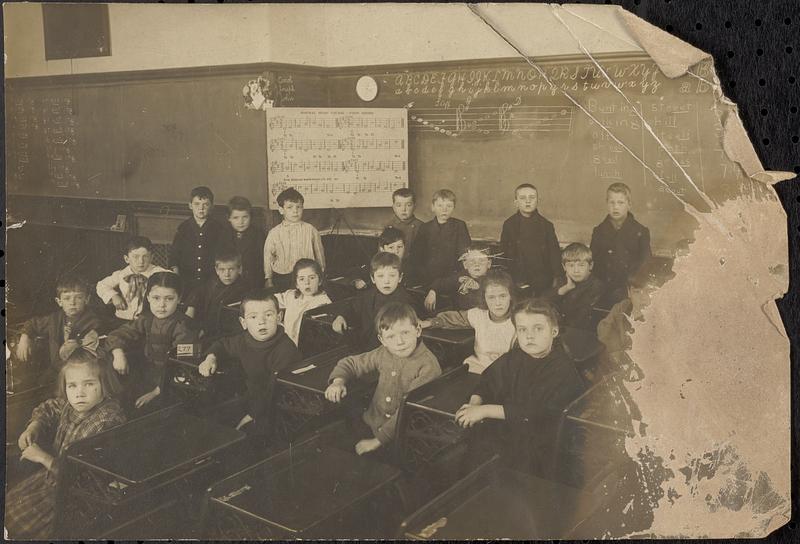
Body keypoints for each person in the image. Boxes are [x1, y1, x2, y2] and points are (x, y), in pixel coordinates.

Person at [5, 348, 126, 540]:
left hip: (81, 495)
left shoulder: (105, 421)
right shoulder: (75, 404)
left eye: (89, 384)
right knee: (9, 503)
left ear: (104, 384)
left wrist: (42, 457)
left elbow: (80, 477)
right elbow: (50, 407)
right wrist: (34, 426)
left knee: (15, 523)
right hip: (55, 479)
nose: (79, 393)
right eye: (72, 386)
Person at [455, 299, 584, 476]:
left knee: (487, 458)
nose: (529, 336)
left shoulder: (560, 368)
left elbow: (533, 411)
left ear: (554, 331)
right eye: (523, 330)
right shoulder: (516, 356)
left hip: (540, 439)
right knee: (468, 448)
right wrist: (474, 403)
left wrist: (484, 410)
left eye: (538, 329)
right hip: (512, 428)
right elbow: (488, 381)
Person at [325, 302, 441, 455]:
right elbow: (351, 362)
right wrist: (338, 381)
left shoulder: (428, 366)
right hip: (371, 423)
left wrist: (377, 441)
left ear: (418, 330)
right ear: (382, 340)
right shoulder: (383, 352)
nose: (399, 342)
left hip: (404, 434)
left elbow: (409, 410)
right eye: (391, 336)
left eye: (405, 333)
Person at [198, 289, 302, 435]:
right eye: (253, 317)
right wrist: (210, 358)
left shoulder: (286, 350)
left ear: (279, 317)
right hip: (250, 398)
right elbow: (222, 344)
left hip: (275, 406)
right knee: (210, 418)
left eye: (268, 315)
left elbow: (274, 391)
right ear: (243, 322)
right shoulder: (244, 339)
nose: (261, 321)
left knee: (247, 433)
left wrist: (252, 415)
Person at [106, 272, 197, 409]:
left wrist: (156, 392)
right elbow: (118, 334)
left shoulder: (184, 327)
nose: (162, 305)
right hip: (147, 375)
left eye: (169, 299)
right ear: (148, 297)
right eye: (156, 298)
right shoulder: (146, 319)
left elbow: (184, 367)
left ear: (179, 299)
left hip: (170, 384)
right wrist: (118, 353)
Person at [422, 270, 516, 374]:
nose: (498, 303)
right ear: (484, 298)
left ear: (510, 296)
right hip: (475, 370)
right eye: (491, 297)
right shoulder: (478, 315)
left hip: (504, 375)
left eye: (502, 296)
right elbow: (455, 318)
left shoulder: (519, 320)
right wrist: (432, 322)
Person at [16, 274, 102, 383]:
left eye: (79, 297)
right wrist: (24, 338)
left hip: (81, 371)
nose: (72, 302)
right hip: (57, 369)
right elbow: (33, 323)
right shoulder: (54, 319)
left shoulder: (93, 322)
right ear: (59, 301)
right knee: (40, 385)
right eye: (67, 298)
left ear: (87, 299)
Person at [331, 252, 415, 352]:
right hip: (365, 349)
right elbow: (352, 308)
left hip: (391, 351)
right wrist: (341, 317)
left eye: (392, 276)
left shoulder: (405, 301)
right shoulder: (367, 296)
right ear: (372, 278)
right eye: (380, 276)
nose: (386, 281)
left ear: (400, 277)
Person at [590, 182, 652, 305]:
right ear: (607, 204)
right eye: (612, 202)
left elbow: (645, 265)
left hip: (627, 289)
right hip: (602, 288)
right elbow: (593, 262)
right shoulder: (598, 231)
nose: (615, 207)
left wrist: (628, 287)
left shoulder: (641, 231)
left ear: (629, 205)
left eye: (620, 203)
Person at [499, 183, 562, 296]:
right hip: (516, 281)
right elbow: (503, 255)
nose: (528, 201)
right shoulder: (509, 225)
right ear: (516, 202)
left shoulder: (546, 225)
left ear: (538, 200)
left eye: (532, 197)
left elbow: (554, 254)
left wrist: (557, 278)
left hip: (543, 281)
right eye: (523, 198)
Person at [263, 187, 326, 292]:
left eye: (299, 207)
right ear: (281, 210)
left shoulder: (310, 230)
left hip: (306, 277)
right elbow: (268, 257)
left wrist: (321, 273)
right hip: (283, 278)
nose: (295, 211)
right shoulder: (274, 233)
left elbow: (319, 254)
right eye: (290, 207)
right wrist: (268, 278)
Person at [96, 236, 169, 322]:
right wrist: (114, 296)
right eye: (135, 257)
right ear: (127, 259)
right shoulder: (121, 274)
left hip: (149, 320)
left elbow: (174, 280)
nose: (141, 261)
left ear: (151, 257)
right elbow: (101, 285)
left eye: (145, 256)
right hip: (123, 318)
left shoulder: (159, 273)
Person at [170, 186, 226, 291]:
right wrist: (176, 277)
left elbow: (222, 254)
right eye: (197, 204)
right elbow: (175, 255)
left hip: (211, 280)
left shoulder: (218, 228)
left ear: (211, 206)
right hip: (187, 279)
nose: (201, 208)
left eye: (205, 204)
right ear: (190, 206)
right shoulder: (183, 228)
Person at [185, 250, 250, 341]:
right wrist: (191, 306)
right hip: (208, 331)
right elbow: (197, 293)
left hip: (230, 335)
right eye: (222, 270)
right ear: (216, 270)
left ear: (239, 269)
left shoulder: (244, 289)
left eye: (231, 269)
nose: (227, 274)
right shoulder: (211, 284)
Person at [411, 189, 471, 285]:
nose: (444, 209)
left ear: (454, 207)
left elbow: (464, 255)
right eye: (440, 206)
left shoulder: (459, 226)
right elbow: (417, 256)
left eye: (449, 206)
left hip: (452, 277)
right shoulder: (425, 227)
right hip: (428, 277)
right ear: (433, 207)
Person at [547, 243, 607, 332]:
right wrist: (565, 288)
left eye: (581, 265)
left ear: (590, 266)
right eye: (571, 265)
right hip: (561, 329)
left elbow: (579, 318)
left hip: (581, 333)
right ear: (564, 267)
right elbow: (542, 303)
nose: (576, 270)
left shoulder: (596, 286)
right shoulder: (563, 281)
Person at [275, 258, 332, 346]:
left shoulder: (323, 302)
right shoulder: (291, 295)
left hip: (306, 346)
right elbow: (271, 301)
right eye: (302, 279)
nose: (307, 283)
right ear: (296, 284)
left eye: (312, 278)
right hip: (286, 344)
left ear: (320, 281)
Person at [424, 245, 492, 312]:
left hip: (479, 315)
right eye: (472, 261)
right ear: (465, 265)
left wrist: (478, 289)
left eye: (481, 260)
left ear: (489, 264)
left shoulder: (492, 280)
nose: (476, 264)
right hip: (458, 314)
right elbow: (443, 283)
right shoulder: (461, 276)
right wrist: (433, 291)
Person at [224, 196, 266, 290]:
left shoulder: (258, 234)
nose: (241, 222)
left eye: (245, 217)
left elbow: (263, 261)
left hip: (253, 280)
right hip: (229, 280)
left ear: (251, 217)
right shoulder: (224, 234)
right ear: (228, 218)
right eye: (236, 218)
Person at [388, 188, 424, 256]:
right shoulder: (389, 226)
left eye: (408, 205)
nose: (403, 209)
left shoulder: (421, 226)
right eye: (399, 205)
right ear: (394, 207)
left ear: (414, 206)